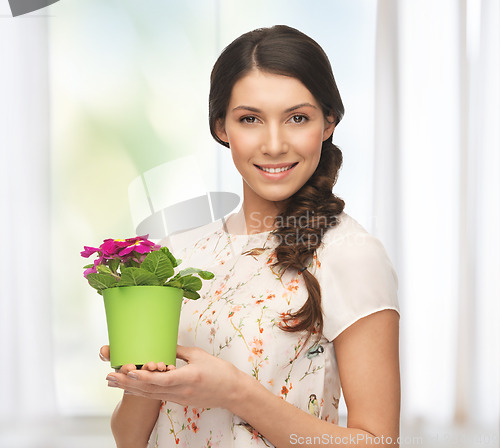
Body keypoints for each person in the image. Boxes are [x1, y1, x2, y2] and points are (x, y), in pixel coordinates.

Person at [100, 25, 401, 448]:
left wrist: (234, 393)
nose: (274, 144)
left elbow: (379, 443)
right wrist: (140, 380)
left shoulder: (351, 254)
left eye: (297, 118)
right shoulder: (180, 254)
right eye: (250, 119)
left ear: (328, 122)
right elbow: (129, 438)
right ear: (221, 127)